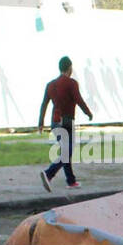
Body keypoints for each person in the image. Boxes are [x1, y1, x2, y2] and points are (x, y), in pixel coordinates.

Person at [37, 55, 93, 191]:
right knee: (67, 152)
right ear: (70, 68)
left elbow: (44, 104)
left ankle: (71, 181)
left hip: (55, 123)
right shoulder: (72, 83)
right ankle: (49, 173)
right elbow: (78, 100)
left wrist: (40, 123)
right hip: (67, 123)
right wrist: (88, 113)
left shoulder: (50, 85)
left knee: (65, 151)